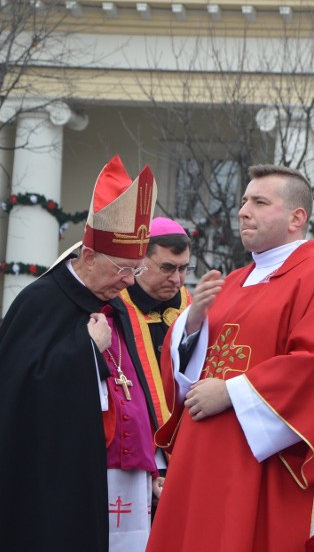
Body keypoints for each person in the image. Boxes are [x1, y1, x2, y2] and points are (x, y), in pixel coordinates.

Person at [147, 164, 314, 552]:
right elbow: (185, 373)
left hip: (263, 469)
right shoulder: (232, 282)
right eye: (244, 200)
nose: (243, 211)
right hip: (203, 465)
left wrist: (232, 392)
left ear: (297, 218)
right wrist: (192, 325)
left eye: (260, 202)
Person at [0, 155, 164, 551]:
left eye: (135, 271)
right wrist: (86, 348)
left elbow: (131, 388)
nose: (127, 282)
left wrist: (147, 458)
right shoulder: (39, 302)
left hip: (111, 478)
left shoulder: (116, 306)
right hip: (47, 479)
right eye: (121, 269)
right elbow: (23, 390)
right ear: (88, 257)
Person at [118, 217, 193, 514]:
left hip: (187, 454)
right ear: (139, 261)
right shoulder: (113, 308)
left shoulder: (194, 309)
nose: (177, 280)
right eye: (167, 268)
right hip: (133, 458)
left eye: (184, 269)